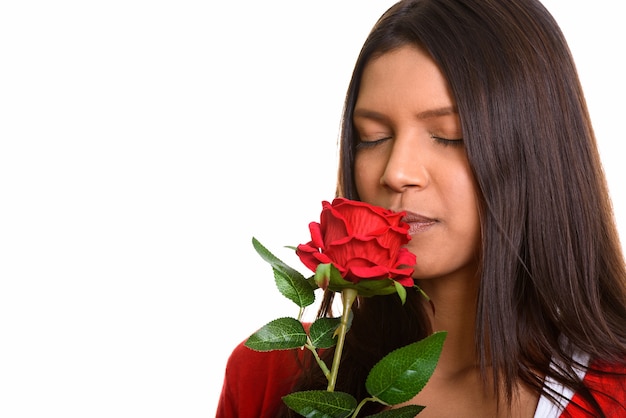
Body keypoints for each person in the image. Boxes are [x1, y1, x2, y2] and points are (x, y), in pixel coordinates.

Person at [216, 0, 626, 416]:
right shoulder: (271, 377)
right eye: (373, 138)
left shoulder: (615, 395)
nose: (396, 173)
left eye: (448, 135)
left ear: (537, 149)